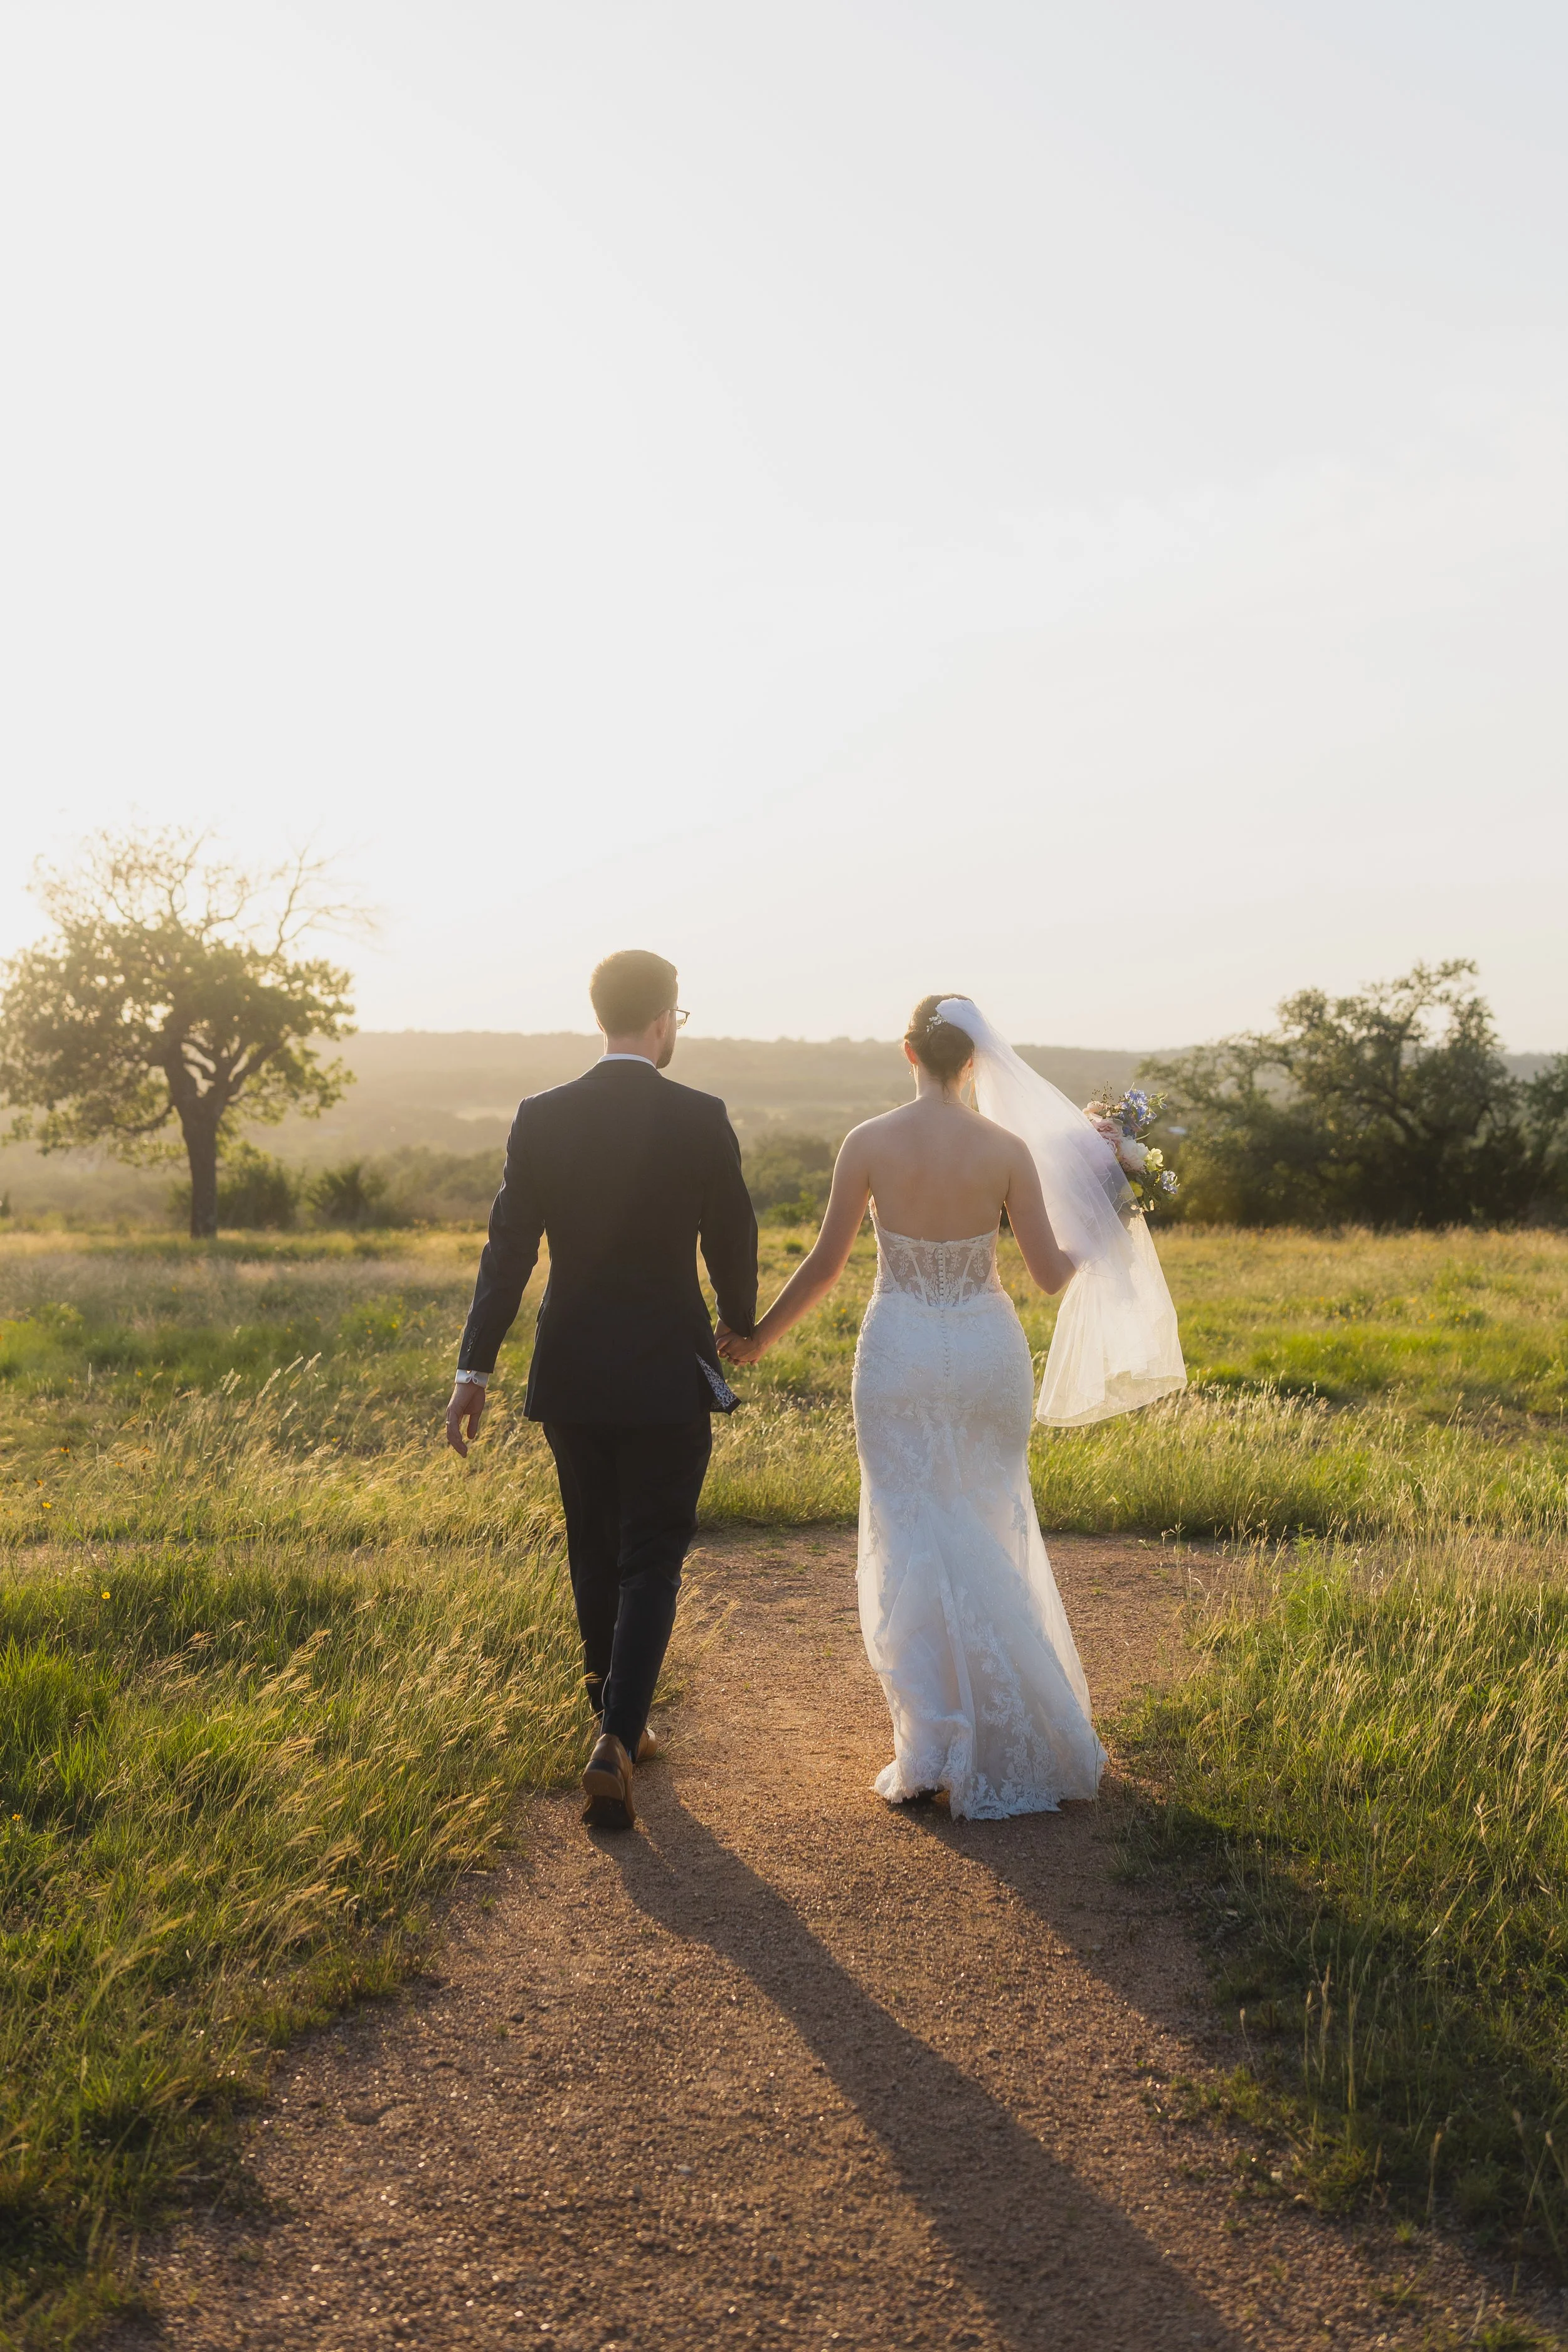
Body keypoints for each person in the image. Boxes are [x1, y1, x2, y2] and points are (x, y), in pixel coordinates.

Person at [720, 993, 1184, 1820]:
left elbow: (827, 1264)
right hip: (983, 1352)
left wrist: (758, 1337)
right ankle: (1015, 1730)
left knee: (910, 1535)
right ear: (974, 1060)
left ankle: (930, 1745)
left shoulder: (867, 1142)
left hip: (896, 1350)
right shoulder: (1006, 1149)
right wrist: (1109, 1206)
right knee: (983, 1525)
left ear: (909, 1052)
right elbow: (1048, 1271)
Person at [446, 950, 758, 1831]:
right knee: (651, 1554)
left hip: (572, 1371)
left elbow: (508, 1251)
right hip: (667, 1370)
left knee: (593, 1545)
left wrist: (474, 1372)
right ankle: (619, 1735)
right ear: (664, 1020)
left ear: (601, 1017)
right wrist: (739, 1318)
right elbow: (733, 1230)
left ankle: (616, 1725)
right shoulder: (701, 1116)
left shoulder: (542, 1117)